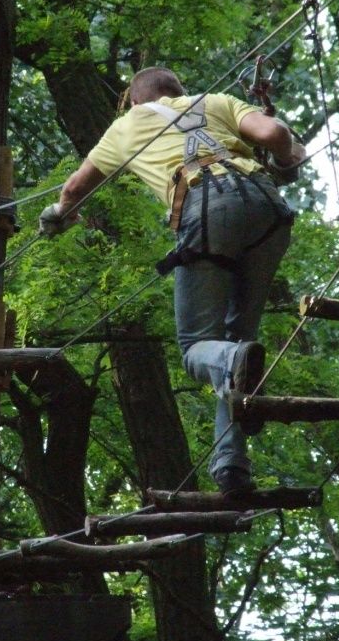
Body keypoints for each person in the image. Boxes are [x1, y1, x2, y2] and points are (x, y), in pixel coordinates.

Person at [39, 66, 303, 497]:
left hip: (207, 209)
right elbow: (275, 133)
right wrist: (288, 159)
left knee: (200, 348)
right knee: (237, 341)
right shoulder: (216, 102)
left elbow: (74, 189)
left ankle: (235, 384)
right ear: (180, 91)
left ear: (136, 101)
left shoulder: (127, 125)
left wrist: (59, 216)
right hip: (268, 211)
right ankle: (231, 467)